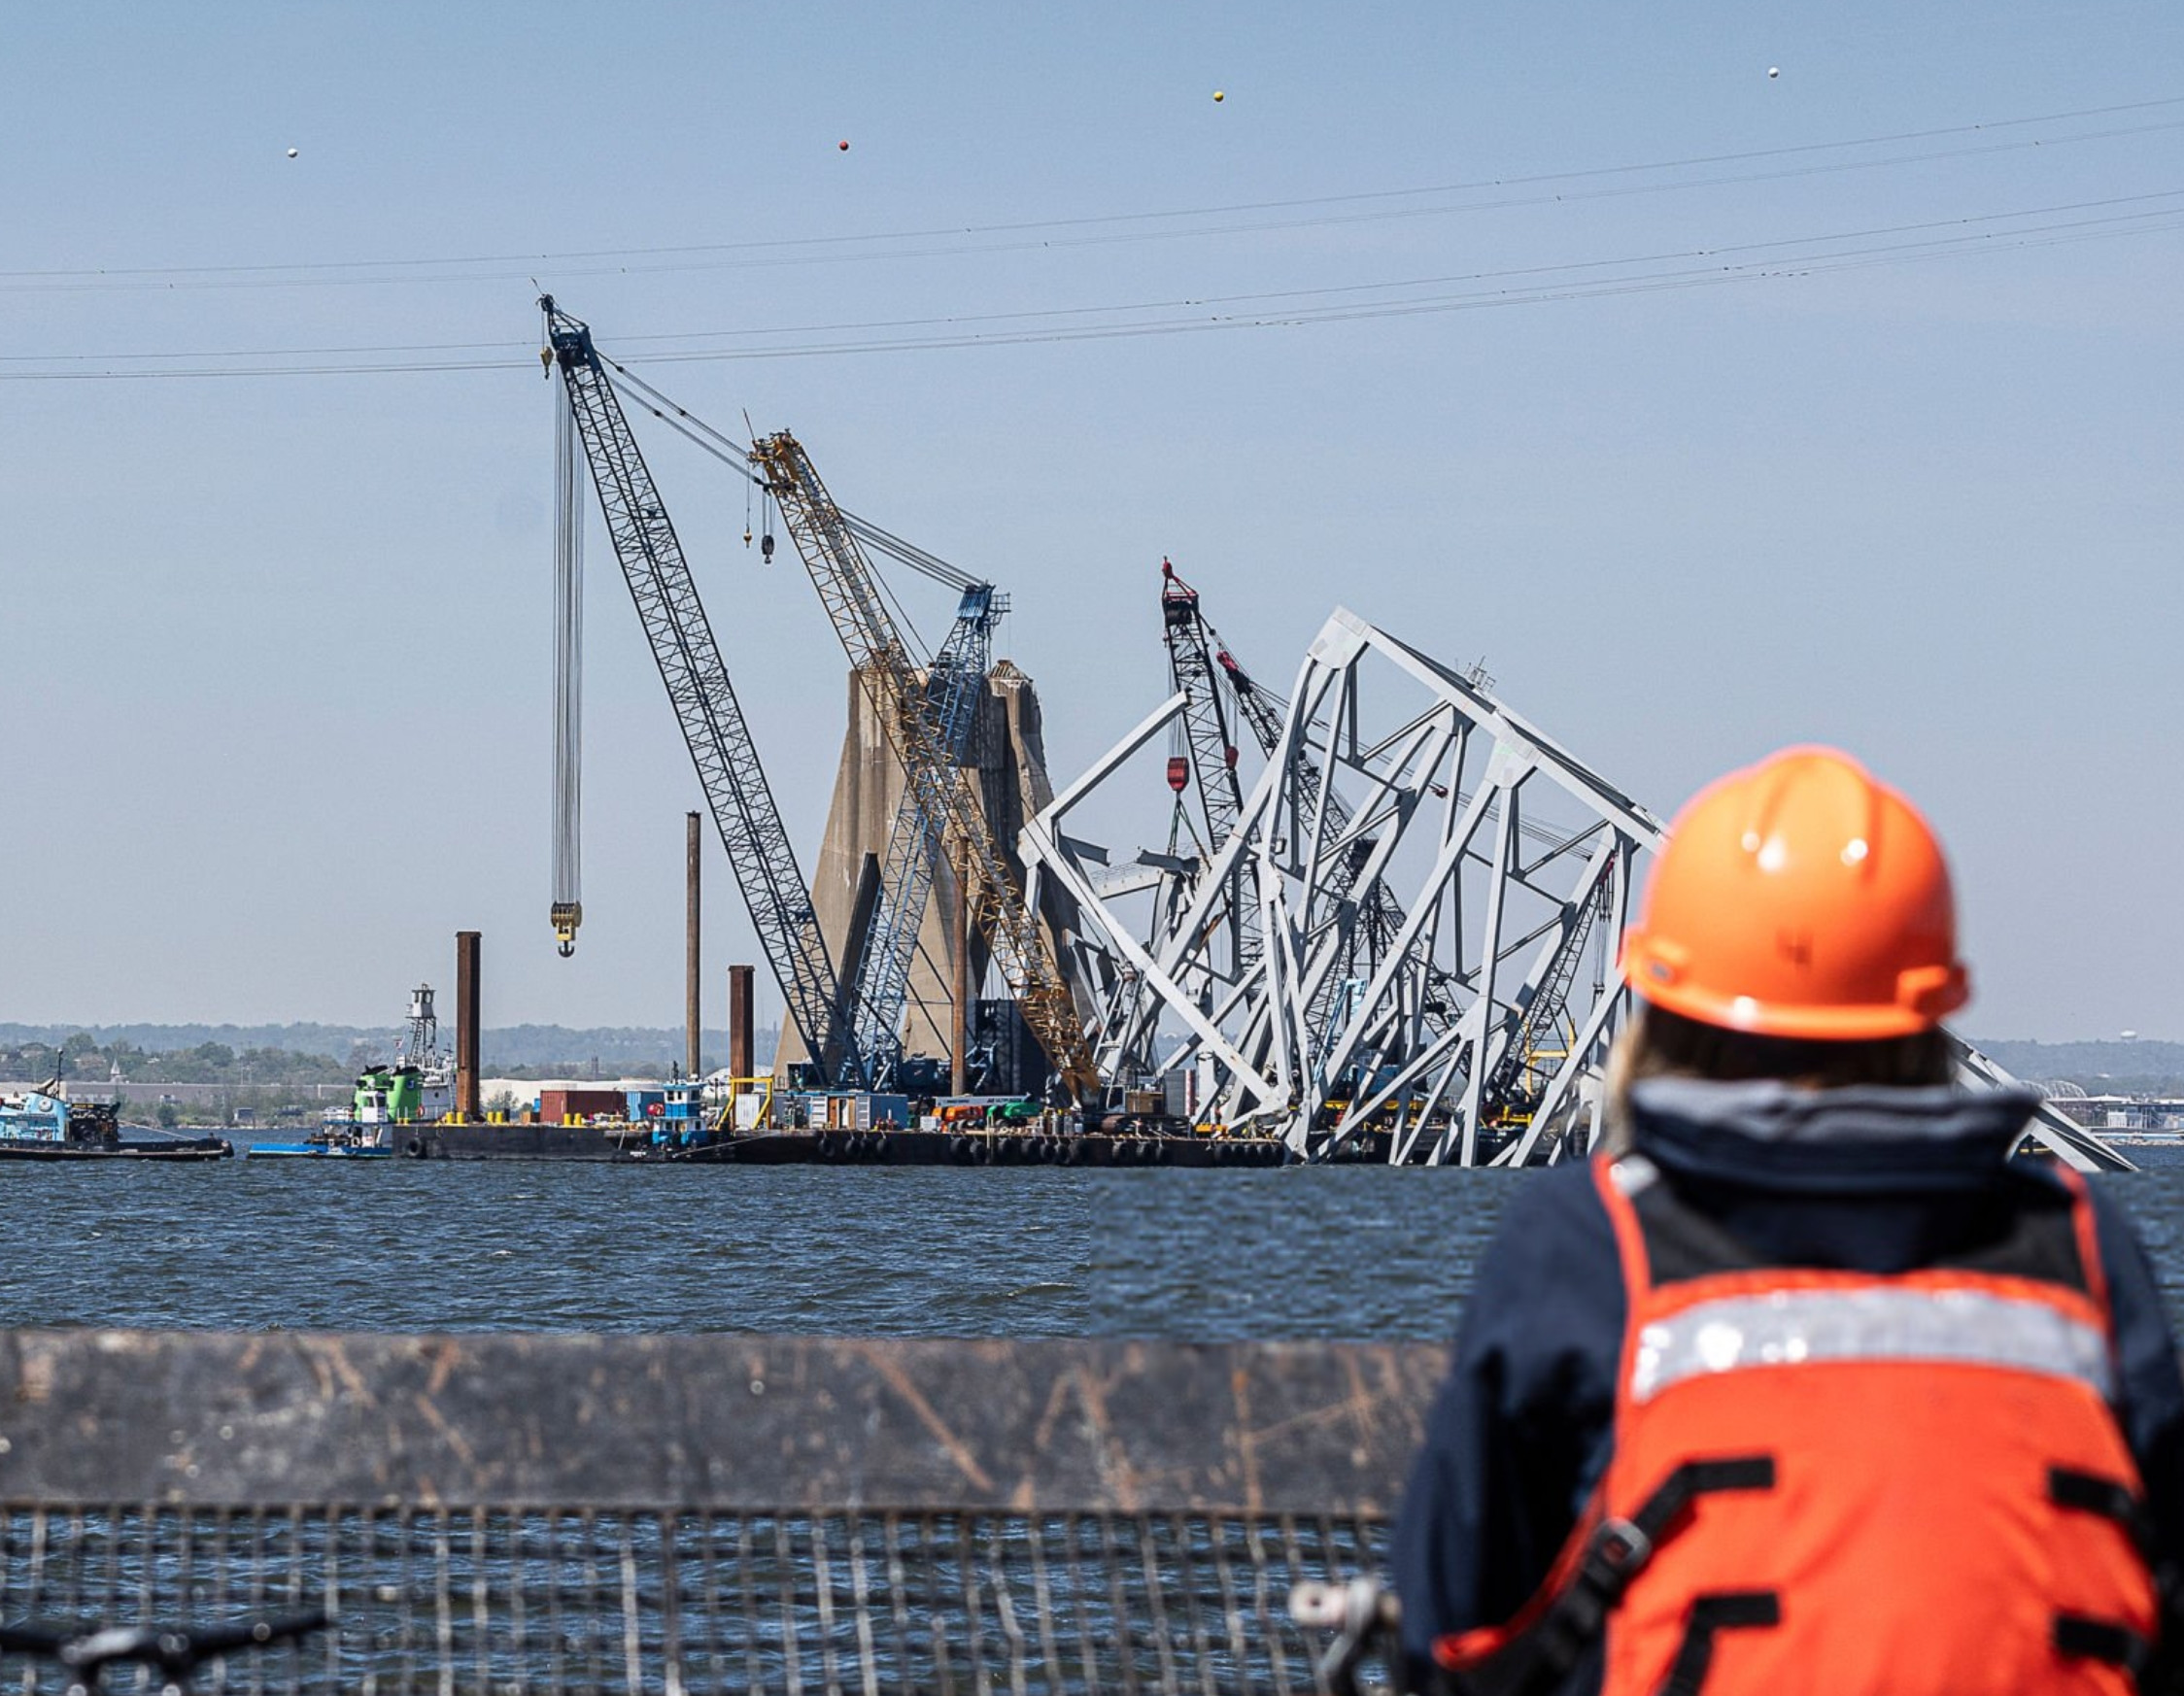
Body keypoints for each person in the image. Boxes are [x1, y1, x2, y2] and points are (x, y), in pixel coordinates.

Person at [1391, 745, 2184, 1695]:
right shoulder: (2080, 1243)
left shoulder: (1592, 1239)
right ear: (1931, 1010)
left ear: (1664, 1002)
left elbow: (1449, 1618)